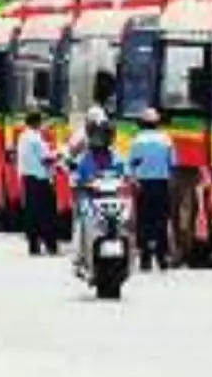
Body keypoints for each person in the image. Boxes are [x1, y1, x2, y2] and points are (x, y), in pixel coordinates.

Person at [70, 108, 125, 276]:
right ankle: (79, 258)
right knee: (82, 221)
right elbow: (76, 175)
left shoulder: (116, 157)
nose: (100, 138)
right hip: (89, 198)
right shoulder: (85, 158)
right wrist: (80, 182)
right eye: (97, 134)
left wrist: (130, 179)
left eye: (104, 135)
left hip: (112, 198)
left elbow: (125, 171)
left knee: (126, 221)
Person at [128, 107, 176, 272]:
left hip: (143, 185)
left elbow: (131, 165)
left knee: (144, 221)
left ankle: (145, 259)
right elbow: (173, 163)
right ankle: (162, 258)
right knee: (161, 221)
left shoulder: (137, 141)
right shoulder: (166, 140)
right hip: (161, 184)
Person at [15, 110, 58, 256]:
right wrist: (57, 155)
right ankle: (51, 245)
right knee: (47, 214)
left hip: (28, 179)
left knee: (31, 213)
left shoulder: (22, 136)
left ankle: (34, 246)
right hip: (41, 180)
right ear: (36, 122)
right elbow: (45, 158)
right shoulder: (35, 138)